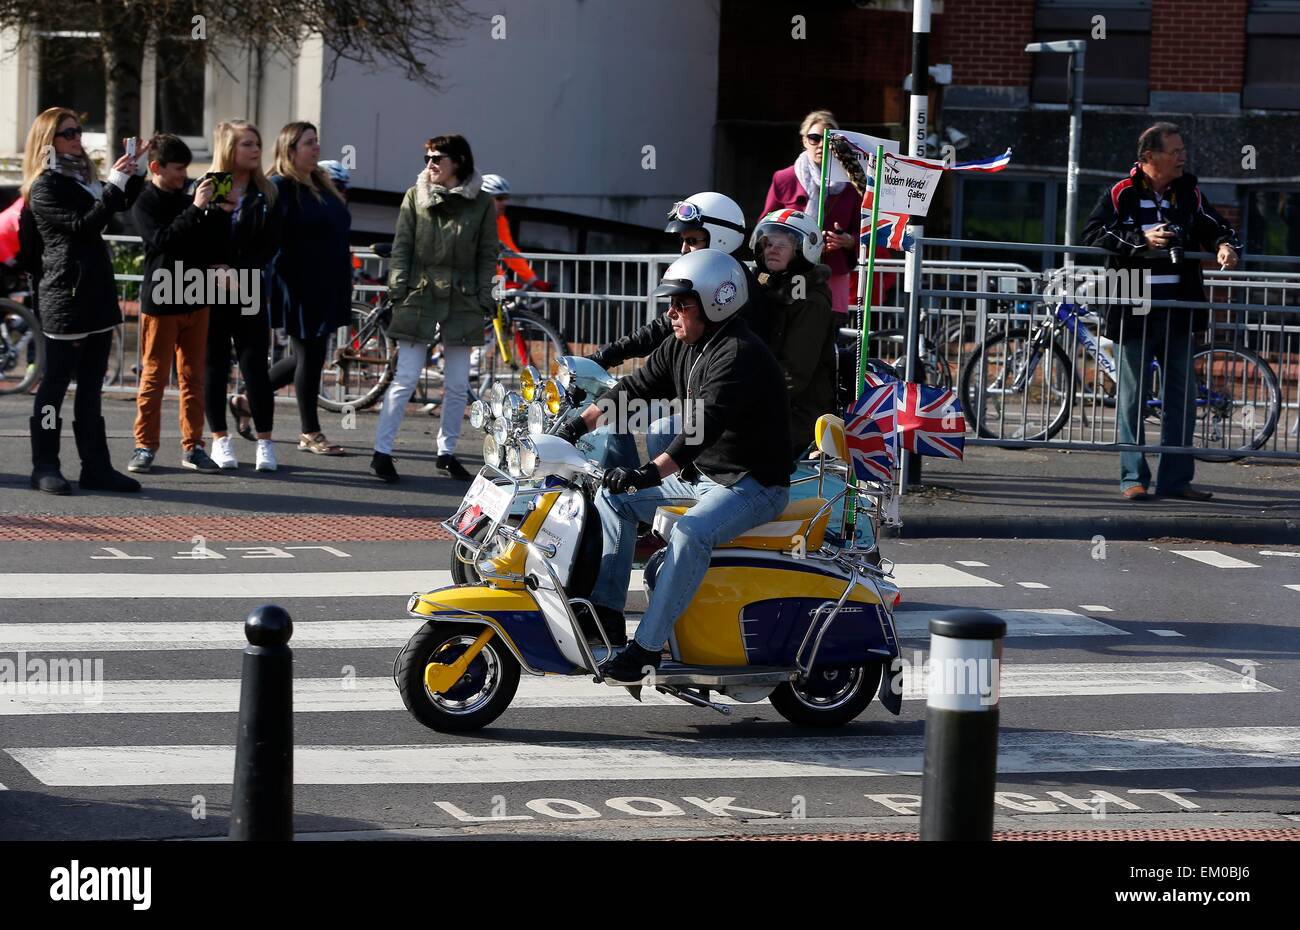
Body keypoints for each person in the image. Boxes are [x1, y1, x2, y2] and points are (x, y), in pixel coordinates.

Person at [555, 249, 793, 681]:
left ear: (715, 302)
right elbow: (633, 390)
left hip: (753, 485)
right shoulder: (683, 345)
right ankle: (606, 613)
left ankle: (645, 650)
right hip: (704, 478)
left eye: (681, 304)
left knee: (690, 533)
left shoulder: (738, 355)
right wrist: (572, 428)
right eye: (671, 304)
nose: (671, 313)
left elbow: (699, 430)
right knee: (613, 498)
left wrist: (646, 473)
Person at [1082, 122, 1241, 502]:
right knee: (1133, 398)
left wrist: (1224, 245)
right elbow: (1092, 233)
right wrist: (1142, 240)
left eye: (1183, 150)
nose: (1183, 156)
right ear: (1150, 157)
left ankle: (1176, 481)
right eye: (1176, 151)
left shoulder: (1189, 193)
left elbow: (1219, 226)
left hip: (1178, 308)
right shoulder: (1121, 192)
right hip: (1133, 304)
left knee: (1181, 399)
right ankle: (1132, 478)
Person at [22, 107, 144, 495]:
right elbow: (82, 226)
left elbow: (117, 209)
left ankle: (96, 466)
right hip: (66, 297)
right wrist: (115, 183)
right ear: (49, 142)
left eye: (78, 132)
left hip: (95, 295)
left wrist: (133, 176)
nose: (78, 139)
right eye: (69, 133)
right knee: (53, 387)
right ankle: (44, 464)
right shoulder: (45, 186)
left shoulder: (84, 179)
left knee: (91, 388)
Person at [370, 133, 498, 483]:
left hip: (463, 298)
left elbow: (488, 254)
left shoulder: (482, 203)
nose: (430, 164)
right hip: (420, 294)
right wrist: (398, 290)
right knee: (406, 377)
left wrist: (484, 296)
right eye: (427, 157)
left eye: (437, 157)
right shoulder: (416, 196)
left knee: (457, 384)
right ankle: (382, 452)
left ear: (458, 161)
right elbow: (402, 247)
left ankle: (446, 453)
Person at [587, 191, 765, 371]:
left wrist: (607, 356)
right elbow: (660, 329)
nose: (684, 249)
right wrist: (604, 355)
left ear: (722, 238)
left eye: (692, 241)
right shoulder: (711, 278)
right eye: (683, 241)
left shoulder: (734, 284)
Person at [127, 133, 220, 474]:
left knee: (193, 378)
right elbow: (164, 240)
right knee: (153, 377)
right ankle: (144, 446)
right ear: (156, 167)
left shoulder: (190, 197)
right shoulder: (144, 200)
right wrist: (195, 208)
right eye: (178, 169)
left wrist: (217, 210)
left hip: (197, 296)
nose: (184, 175)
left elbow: (208, 243)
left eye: (186, 168)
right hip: (163, 298)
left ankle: (194, 446)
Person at [262, 121, 353, 457]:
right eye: (309, 143)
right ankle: (309, 431)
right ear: (290, 149)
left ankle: (249, 398)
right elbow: (271, 239)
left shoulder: (320, 182)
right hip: (299, 283)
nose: (316, 148)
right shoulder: (280, 186)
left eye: (317, 142)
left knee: (307, 355)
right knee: (310, 357)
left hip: (328, 281)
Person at [203, 119, 282, 472]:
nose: (255, 150)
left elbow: (270, 243)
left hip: (250, 286)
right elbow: (202, 237)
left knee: (255, 367)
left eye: (257, 143)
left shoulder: (266, 192)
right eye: (247, 144)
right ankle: (220, 439)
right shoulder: (213, 187)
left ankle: (265, 442)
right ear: (229, 150)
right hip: (211, 287)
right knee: (214, 366)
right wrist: (220, 266)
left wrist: (243, 271)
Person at [750, 209, 837, 457]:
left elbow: (793, 375)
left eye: (783, 244)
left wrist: (745, 403)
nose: (772, 249)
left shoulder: (810, 301)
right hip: (767, 400)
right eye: (768, 242)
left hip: (797, 411)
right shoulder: (763, 287)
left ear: (802, 250)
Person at [763, 109, 863, 316]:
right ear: (804, 141)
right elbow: (765, 224)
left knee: (829, 331)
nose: (821, 144)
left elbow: (864, 231)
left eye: (829, 139)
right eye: (815, 138)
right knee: (787, 328)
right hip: (789, 268)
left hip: (833, 272)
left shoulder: (851, 183)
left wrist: (848, 241)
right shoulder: (784, 178)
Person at [480, 173, 545, 288]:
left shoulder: (500, 220)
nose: (505, 203)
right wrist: (502, 279)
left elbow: (509, 251)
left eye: (506, 198)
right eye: (499, 198)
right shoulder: (473, 220)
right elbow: (480, 254)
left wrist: (532, 280)